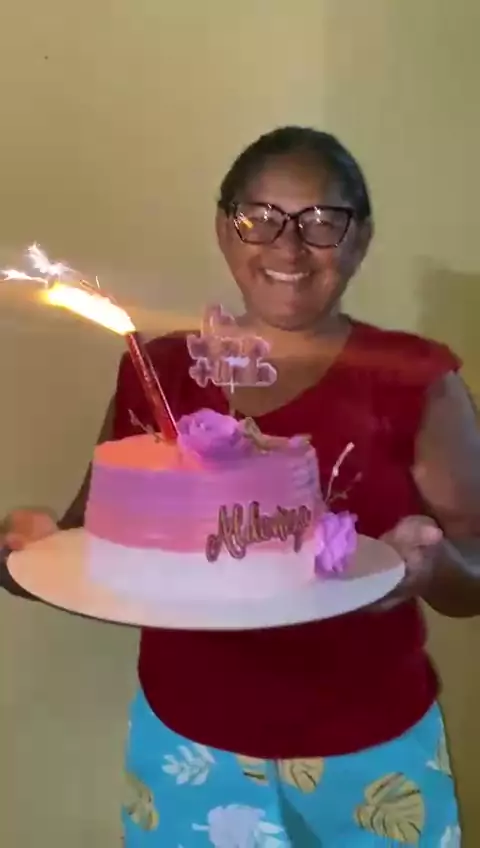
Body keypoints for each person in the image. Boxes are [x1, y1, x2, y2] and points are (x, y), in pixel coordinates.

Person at [2, 126, 479, 846]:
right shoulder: (159, 370)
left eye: (322, 220)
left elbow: (475, 574)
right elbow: (94, 543)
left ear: (360, 237)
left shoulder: (414, 377)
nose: (289, 247)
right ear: (226, 229)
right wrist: (27, 554)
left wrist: (434, 565)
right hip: (189, 741)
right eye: (260, 217)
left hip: (369, 746)